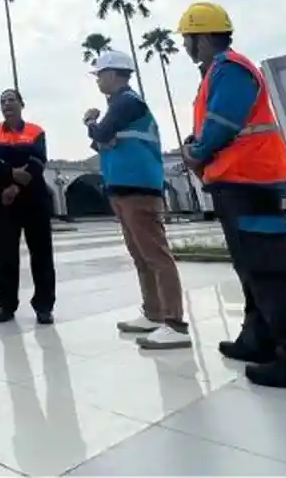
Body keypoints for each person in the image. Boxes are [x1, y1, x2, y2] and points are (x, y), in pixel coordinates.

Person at [177, 1, 286, 389]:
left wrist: (195, 152)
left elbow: (222, 123)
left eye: (188, 39)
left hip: (249, 179)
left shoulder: (231, 69)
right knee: (250, 264)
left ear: (204, 37)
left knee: (270, 266)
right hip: (237, 180)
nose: (185, 46)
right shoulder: (219, 70)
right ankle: (260, 338)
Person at [83, 50, 190, 350]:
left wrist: (91, 121)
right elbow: (102, 140)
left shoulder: (128, 102)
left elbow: (101, 132)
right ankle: (154, 313)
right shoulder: (119, 105)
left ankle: (175, 323)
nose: (99, 80)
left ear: (115, 74)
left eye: (101, 75)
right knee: (140, 254)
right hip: (122, 185)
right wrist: (101, 133)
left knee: (155, 255)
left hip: (138, 186)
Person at [0, 88, 56, 325]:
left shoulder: (36, 131)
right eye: (2, 101)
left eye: (11, 100)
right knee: (5, 254)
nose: (7, 104)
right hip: (2, 199)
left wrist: (16, 187)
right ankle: (6, 304)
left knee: (41, 253)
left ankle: (44, 306)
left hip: (34, 198)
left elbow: (38, 161)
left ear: (22, 104)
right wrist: (10, 176)